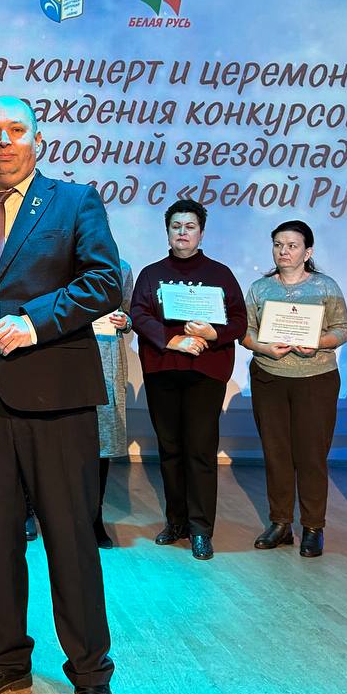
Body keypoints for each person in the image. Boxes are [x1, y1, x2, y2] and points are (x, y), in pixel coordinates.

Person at [0, 96, 121, 694]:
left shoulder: (74, 202)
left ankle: (91, 675)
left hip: (56, 400)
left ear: (37, 140)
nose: (4, 141)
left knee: (70, 540)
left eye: (16, 130)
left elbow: (104, 282)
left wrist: (34, 322)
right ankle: (6, 660)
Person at [130, 199, 247, 561]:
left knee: (200, 451)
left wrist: (213, 333)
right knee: (170, 450)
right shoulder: (151, 274)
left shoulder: (221, 274)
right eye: (176, 226)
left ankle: (200, 529)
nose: (182, 232)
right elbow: (139, 314)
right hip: (163, 370)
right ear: (168, 232)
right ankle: (176, 521)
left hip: (205, 374)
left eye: (190, 226)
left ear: (201, 233)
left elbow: (239, 320)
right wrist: (174, 340)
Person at [241, 220, 347, 557]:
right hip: (269, 377)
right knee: (276, 453)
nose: (284, 251)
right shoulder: (260, 288)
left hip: (316, 379)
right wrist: (262, 347)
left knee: (311, 455)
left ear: (308, 252)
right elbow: (244, 331)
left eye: (292, 245)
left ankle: (313, 526)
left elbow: (343, 328)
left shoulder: (325, 286)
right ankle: (280, 523)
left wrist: (318, 341)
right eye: (278, 245)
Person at [92, 260, 134, 548]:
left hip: (107, 357)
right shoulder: (61, 260)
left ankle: (94, 516)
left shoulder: (121, 267)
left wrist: (125, 321)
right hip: (66, 355)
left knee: (101, 441)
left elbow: (129, 312)